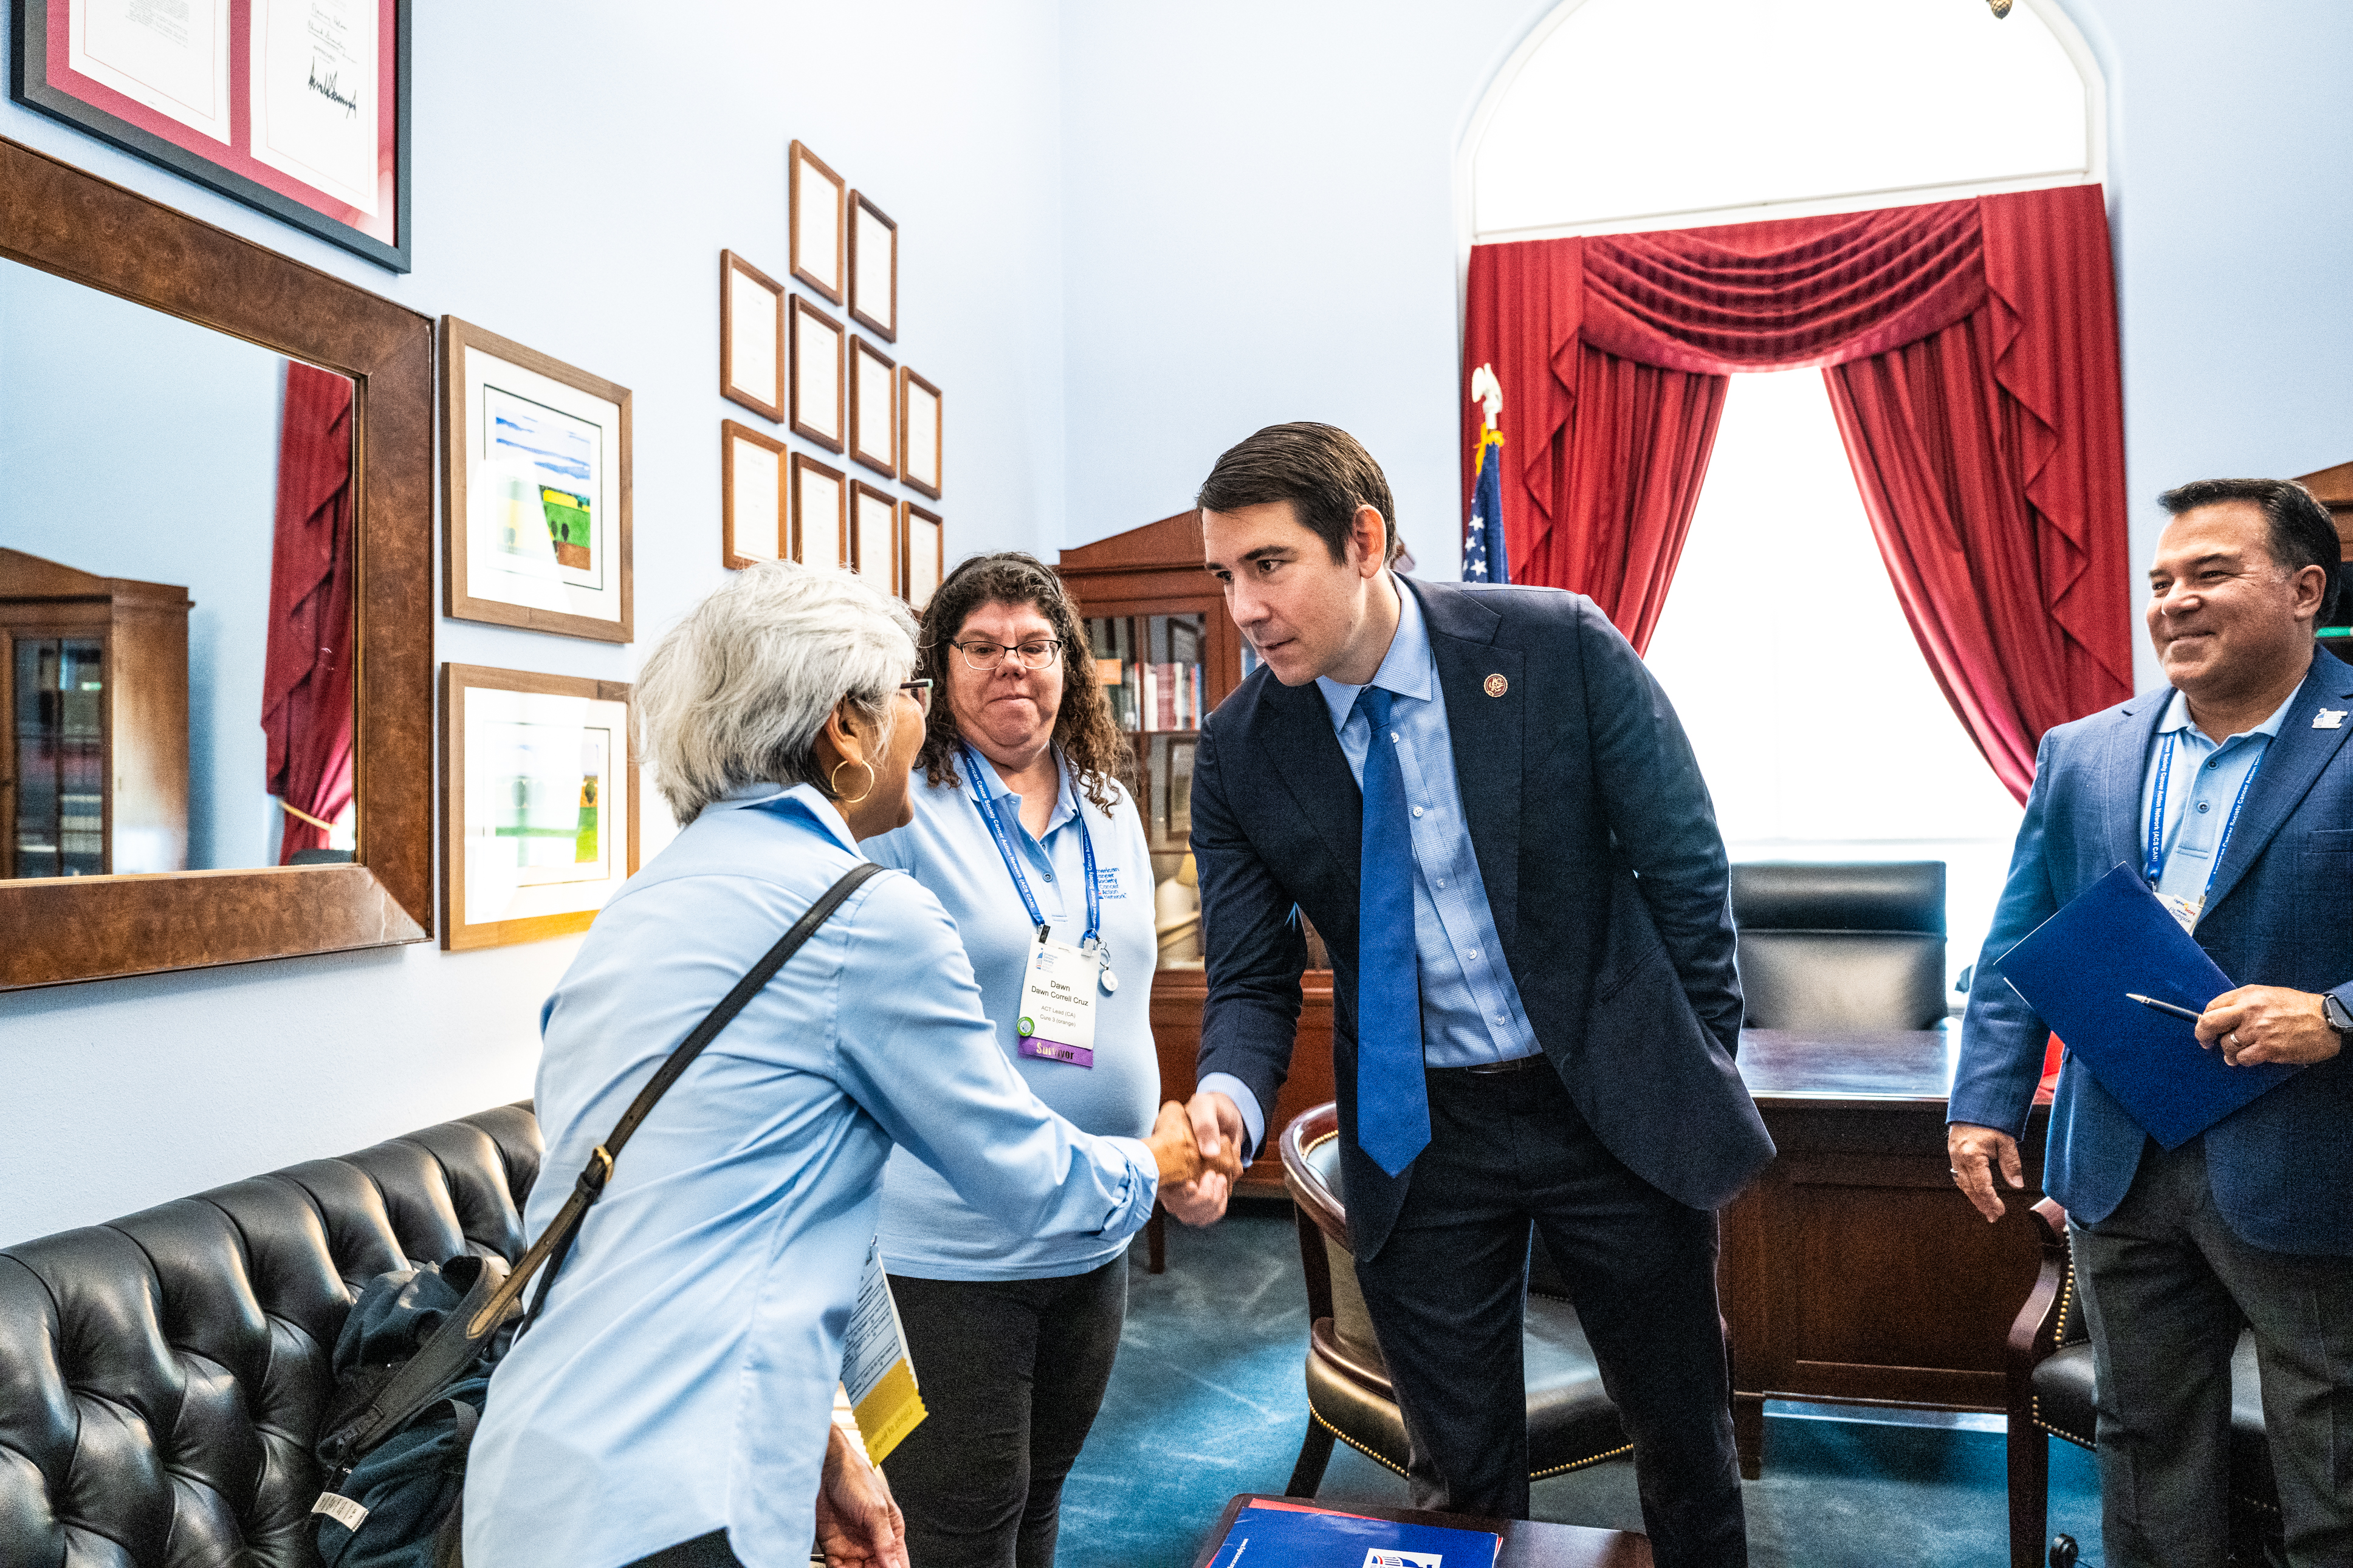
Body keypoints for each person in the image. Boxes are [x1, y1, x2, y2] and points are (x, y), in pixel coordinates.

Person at [464, 563, 1223, 1568]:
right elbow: (1027, 1177)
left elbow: (638, 1214)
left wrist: (821, 1436)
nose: (927, 716)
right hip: (692, 1497)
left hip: (536, 1472)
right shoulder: (865, 914)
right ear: (845, 732)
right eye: (912, 692)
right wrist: (1158, 1159)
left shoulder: (637, 909)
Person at [1162, 422, 1773, 1567]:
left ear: (1364, 540)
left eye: (1270, 565)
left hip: (1606, 1104)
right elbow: (1249, 974)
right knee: (1458, 1468)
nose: (1243, 607)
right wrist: (1229, 1100)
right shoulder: (1242, 749)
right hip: (1417, 1129)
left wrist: (1694, 1055)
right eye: (1224, 574)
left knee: (1684, 1437)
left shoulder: (1552, 646)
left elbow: (1684, 864)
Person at [1949, 478, 2353, 1568]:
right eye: (2161, 581)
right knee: (2143, 1447)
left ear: (2306, 589)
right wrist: (1982, 1104)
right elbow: (2021, 932)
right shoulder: (2085, 748)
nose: (2174, 602)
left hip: (2307, 1157)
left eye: (2211, 574)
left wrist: (2336, 1013)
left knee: (2335, 1462)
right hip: (2119, 1157)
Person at [859, 552, 1161, 1568]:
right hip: (949, 1248)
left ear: (1068, 661)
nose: (1011, 667)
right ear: (940, 670)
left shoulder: (1109, 805)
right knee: (959, 1523)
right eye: (981, 647)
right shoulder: (902, 807)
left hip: (1094, 1229)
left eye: (1034, 645)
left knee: (1039, 1500)